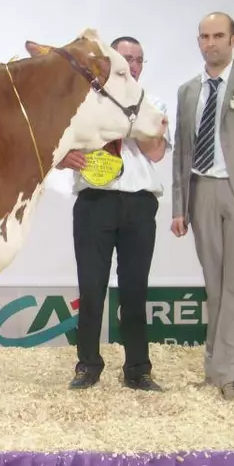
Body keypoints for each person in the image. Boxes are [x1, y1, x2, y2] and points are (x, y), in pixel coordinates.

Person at [171, 12, 234, 402]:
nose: (210, 42)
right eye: (204, 36)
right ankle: (215, 368)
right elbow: (181, 151)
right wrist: (179, 207)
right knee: (214, 285)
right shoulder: (188, 90)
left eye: (218, 35)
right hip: (202, 192)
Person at [57, 36, 170, 392]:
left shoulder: (153, 103)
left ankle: (138, 369)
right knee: (91, 290)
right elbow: (56, 146)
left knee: (135, 291)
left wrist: (129, 114)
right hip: (94, 202)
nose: (133, 65)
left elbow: (155, 152)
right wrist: (63, 156)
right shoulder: (85, 106)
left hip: (139, 204)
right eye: (125, 59)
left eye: (138, 59)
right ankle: (87, 365)